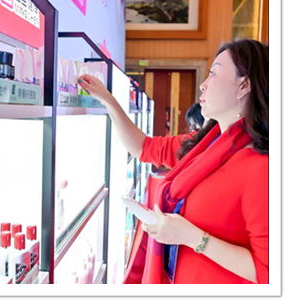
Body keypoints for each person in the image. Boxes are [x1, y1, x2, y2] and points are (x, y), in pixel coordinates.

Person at [77, 39, 268, 284]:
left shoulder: (261, 167)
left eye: (213, 74)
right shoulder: (203, 143)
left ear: (244, 86)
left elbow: (269, 272)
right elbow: (144, 147)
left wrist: (194, 238)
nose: (203, 85)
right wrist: (108, 100)